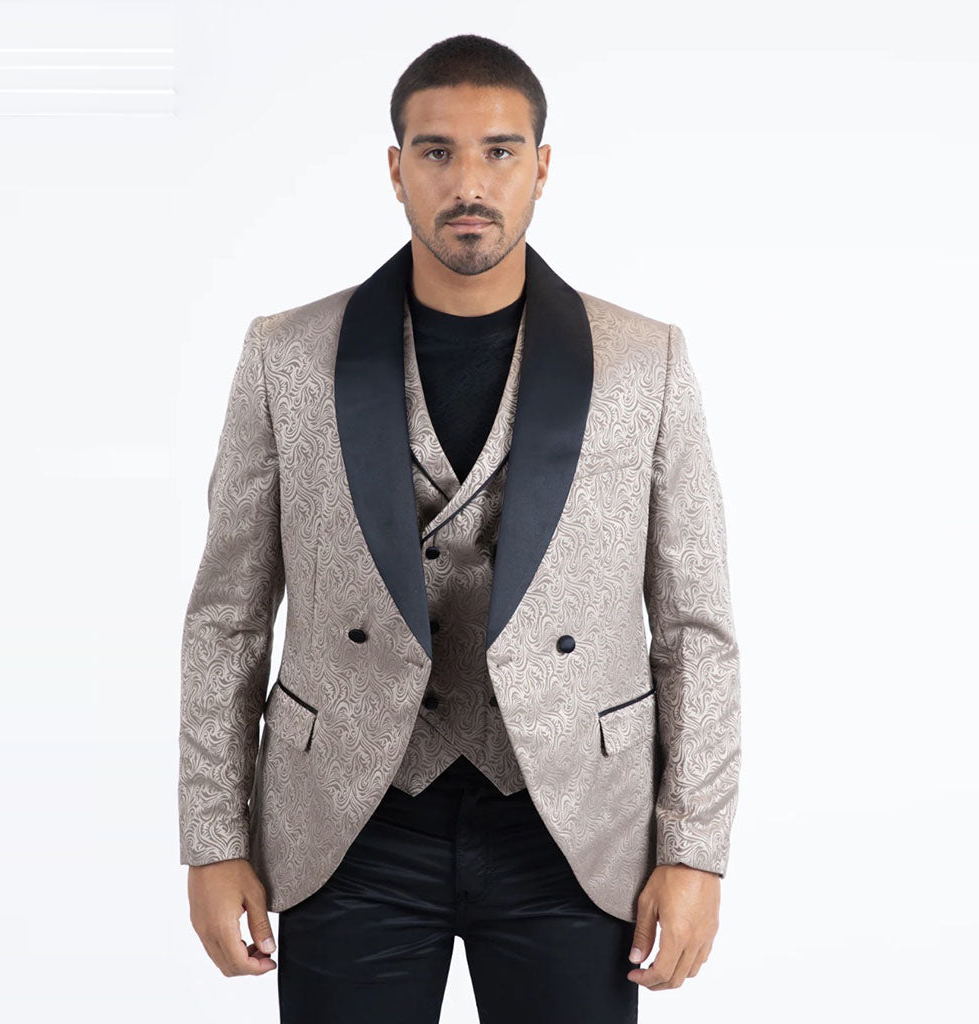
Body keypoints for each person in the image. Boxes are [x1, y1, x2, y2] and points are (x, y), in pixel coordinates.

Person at [179, 33, 741, 1023]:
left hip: (573, 823)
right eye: (437, 152)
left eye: (499, 151)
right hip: (347, 822)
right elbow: (227, 618)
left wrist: (694, 850)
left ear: (542, 168)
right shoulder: (286, 357)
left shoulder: (643, 361)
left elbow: (696, 629)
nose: (469, 183)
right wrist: (214, 838)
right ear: (397, 170)